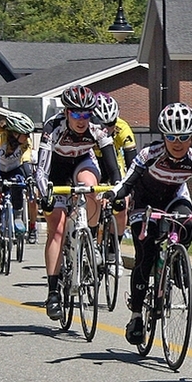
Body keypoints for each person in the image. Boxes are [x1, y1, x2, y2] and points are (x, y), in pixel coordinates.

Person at [104, 102, 192, 345]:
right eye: (171, 136)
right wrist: (113, 194)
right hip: (145, 202)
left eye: (184, 137)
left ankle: (177, 262)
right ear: (163, 135)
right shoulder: (149, 154)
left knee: (187, 224)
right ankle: (137, 314)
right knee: (146, 252)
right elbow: (127, 182)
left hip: (175, 198)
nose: (178, 142)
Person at [35, 85, 121, 320]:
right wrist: (46, 194)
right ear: (66, 113)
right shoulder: (53, 128)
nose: (82, 119)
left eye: (86, 114)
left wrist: (117, 190)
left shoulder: (97, 127)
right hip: (56, 170)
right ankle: (53, 292)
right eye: (76, 114)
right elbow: (41, 170)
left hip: (82, 162)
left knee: (90, 187)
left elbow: (114, 170)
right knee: (58, 230)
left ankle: (91, 238)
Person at [93, 92, 137, 255]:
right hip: (92, 161)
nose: (108, 128)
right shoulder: (89, 128)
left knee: (122, 204)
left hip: (113, 162)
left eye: (111, 123)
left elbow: (133, 161)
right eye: (104, 124)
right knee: (90, 199)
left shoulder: (122, 127)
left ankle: (113, 252)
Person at [0, 112, 35, 258]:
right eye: (25, 134)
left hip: (14, 168)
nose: (28, 137)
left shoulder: (26, 142)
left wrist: (30, 179)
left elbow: (26, 161)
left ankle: (17, 216)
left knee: (19, 184)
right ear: (14, 133)